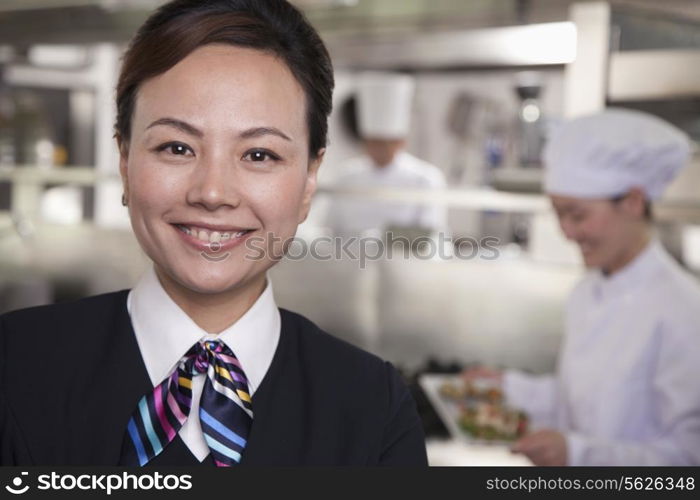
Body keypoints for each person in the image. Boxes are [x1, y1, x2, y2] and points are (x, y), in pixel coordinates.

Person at [0, 0, 427, 466]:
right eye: (177, 147)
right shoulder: (14, 366)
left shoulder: (374, 408)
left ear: (309, 180)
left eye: (260, 155)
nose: (212, 192)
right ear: (124, 162)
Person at [466, 108, 700, 466]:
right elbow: (584, 401)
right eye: (558, 214)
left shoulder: (684, 311)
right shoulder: (586, 293)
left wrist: (579, 455)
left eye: (577, 215)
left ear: (633, 202)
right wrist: (507, 388)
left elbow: (688, 458)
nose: (567, 232)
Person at [325, 72, 447, 238]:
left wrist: (378, 238)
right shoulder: (346, 176)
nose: (378, 149)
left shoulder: (426, 178)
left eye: (384, 143)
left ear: (401, 142)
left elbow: (429, 234)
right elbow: (331, 229)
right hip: (352, 259)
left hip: (404, 261)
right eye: (373, 142)